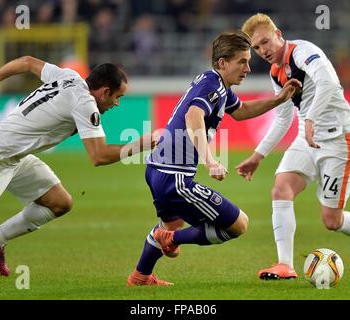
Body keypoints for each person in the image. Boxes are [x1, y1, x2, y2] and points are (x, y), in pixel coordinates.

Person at [0, 56, 154, 276]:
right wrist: (143, 143)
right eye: (117, 97)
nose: (117, 104)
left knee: (59, 202)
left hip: (15, 158)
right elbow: (99, 156)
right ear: (104, 92)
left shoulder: (69, 76)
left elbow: (28, 61)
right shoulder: (84, 104)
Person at [126, 31, 301, 286]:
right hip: (174, 176)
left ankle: (141, 275)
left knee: (173, 224)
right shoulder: (212, 85)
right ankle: (169, 239)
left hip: (157, 169)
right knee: (238, 225)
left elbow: (240, 111)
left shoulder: (217, 84)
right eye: (242, 61)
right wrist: (210, 160)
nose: (248, 68)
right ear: (222, 63)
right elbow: (193, 116)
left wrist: (278, 99)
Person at [237, 13, 350, 280]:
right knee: (280, 188)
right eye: (256, 48)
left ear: (278, 34)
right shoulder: (276, 72)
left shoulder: (304, 52)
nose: (263, 51)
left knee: (331, 221)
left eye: (265, 42)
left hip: (337, 140)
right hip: (305, 139)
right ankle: (285, 265)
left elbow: (328, 82)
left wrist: (311, 117)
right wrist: (258, 155)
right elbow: (284, 117)